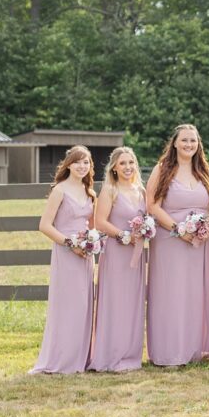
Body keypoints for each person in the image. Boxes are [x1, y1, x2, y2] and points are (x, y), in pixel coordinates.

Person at [145, 124, 209, 366]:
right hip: (170, 240)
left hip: (199, 243)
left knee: (195, 292)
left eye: (193, 141)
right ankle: (170, 351)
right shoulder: (162, 169)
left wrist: (205, 227)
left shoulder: (204, 171)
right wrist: (177, 229)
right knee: (172, 293)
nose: (189, 145)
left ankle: (196, 349)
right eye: (184, 140)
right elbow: (152, 205)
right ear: (174, 143)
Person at [30, 145, 96, 374]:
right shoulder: (60, 190)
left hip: (85, 256)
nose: (82, 166)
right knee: (67, 305)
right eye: (78, 161)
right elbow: (44, 225)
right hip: (66, 253)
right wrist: (70, 244)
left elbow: (93, 225)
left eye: (86, 162)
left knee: (84, 304)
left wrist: (90, 243)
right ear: (68, 164)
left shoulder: (90, 192)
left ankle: (80, 357)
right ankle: (62, 359)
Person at [88, 146, 146, 372]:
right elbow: (100, 222)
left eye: (131, 163)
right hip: (116, 253)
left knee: (133, 303)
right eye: (122, 163)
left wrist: (142, 233)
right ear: (114, 167)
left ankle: (131, 355)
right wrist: (123, 235)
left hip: (136, 255)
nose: (128, 167)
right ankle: (111, 354)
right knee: (115, 302)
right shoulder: (109, 190)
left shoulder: (141, 191)